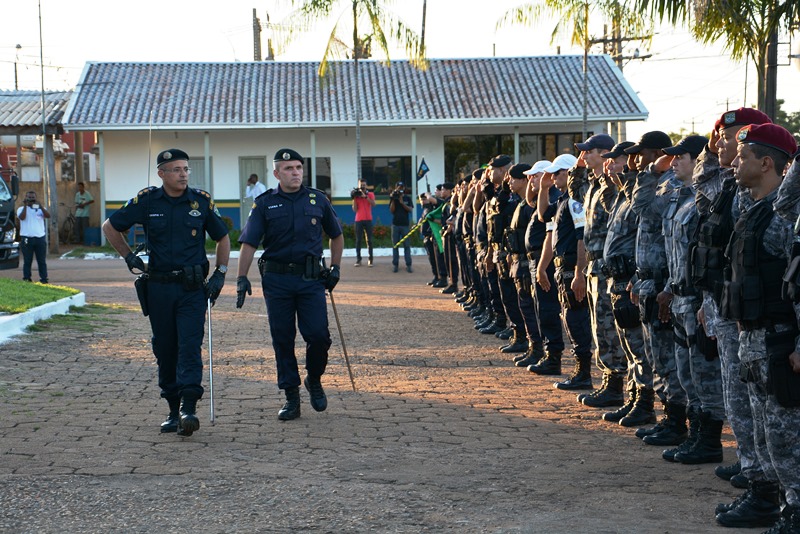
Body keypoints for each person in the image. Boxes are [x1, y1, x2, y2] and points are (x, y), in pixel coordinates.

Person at [102, 148, 231, 438]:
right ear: (161, 173)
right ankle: (173, 410)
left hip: (192, 289)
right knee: (165, 348)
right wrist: (128, 256)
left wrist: (220, 273)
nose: (183, 174)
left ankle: (188, 407)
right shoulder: (147, 200)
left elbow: (222, 237)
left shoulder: (200, 201)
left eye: (186, 169)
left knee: (189, 345)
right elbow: (110, 226)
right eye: (176, 169)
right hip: (158, 287)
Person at [714, 124, 798, 530]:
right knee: (765, 435)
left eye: (744, 156)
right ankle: (773, 501)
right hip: (753, 340)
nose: (735, 161)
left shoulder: (786, 219)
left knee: (786, 437)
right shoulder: (754, 211)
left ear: (767, 164)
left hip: (780, 341)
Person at [236, 148, 344, 421]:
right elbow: (249, 242)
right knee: (283, 338)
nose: (295, 172)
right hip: (278, 280)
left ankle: (314, 379)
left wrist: (335, 267)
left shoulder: (317, 199)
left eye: (298, 167)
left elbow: (336, 235)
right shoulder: (264, 203)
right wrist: (241, 277)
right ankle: (291, 396)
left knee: (319, 336)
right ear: (276, 173)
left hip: (311, 280)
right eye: (288, 168)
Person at [17, 190, 50, 284]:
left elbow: (48, 216)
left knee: (41, 260)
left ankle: (44, 279)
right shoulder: (21, 209)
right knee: (27, 260)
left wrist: (41, 207)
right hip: (27, 238)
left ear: (36, 198)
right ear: (25, 198)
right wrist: (25, 206)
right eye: (29, 197)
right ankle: (27, 278)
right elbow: (22, 217)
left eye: (33, 198)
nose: (31, 199)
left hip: (40, 238)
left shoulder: (40, 208)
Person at [389, 181, 413, 273]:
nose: (400, 189)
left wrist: (402, 203)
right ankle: (395, 265)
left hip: (405, 225)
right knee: (395, 245)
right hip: (395, 224)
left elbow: (410, 209)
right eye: (398, 187)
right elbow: (392, 210)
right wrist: (393, 199)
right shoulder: (393, 198)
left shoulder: (407, 198)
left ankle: (409, 264)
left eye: (401, 187)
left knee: (407, 245)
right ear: (396, 188)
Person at [351, 178, 375, 267]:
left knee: (369, 240)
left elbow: (373, 204)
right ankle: (358, 259)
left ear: (366, 186)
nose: (362, 187)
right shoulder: (356, 196)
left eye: (364, 185)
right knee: (358, 240)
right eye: (361, 185)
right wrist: (354, 198)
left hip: (368, 219)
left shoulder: (370, 194)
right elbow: (355, 209)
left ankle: (370, 259)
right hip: (358, 220)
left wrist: (365, 196)